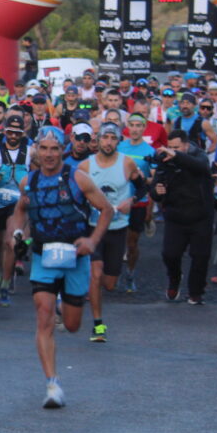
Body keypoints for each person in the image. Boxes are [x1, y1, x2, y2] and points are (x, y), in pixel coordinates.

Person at [7, 126, 112, 408]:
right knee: (43, 316)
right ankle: (52, 384)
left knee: (73, 325)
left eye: (55, 149)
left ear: (61, 150)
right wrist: (16, 235)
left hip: (75, 257)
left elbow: (107, 210)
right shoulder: (28, 182)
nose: (50, 154)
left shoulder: (78, 178)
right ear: (37, 151)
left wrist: (92, 241)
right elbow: (19, 213)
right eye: (44, 149)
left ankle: (65, 299)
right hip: (43, 256)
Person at [76, 123, 143, 341]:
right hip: (94, 228)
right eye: (104, 138)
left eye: (112, 138)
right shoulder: (86, 166)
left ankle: (92, 287)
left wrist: (131, 200)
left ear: (118, 140)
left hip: (118, 227)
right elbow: (77, 195)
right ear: (97, 140)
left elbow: (143, 187)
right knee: (95, 275)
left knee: (110, 283)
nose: (108, 142)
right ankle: (98, 325)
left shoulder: (127, 163)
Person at [150, 130, 214, 304]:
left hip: (200, 215)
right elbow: (156, 186)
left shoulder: (199, 156)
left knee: (200, 256)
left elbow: (200, 166)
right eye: (169, 147)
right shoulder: (164, 159)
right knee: (169, 254)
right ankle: (174, 279)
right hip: (175, 215)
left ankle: (196, 291)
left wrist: (177, 155)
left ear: (186, 145)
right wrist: (157, 191)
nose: (171, 151)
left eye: (176, 147)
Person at [0, 114, 33, 307]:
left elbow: (37, 174)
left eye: (17, 132)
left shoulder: (30, 152)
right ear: (4, 131)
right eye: (10, 132)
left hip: (17, 206)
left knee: (11, 243)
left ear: (23, 133)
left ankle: (5, 285)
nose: (13, 135)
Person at [117, 114, 155, 291]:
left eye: (138, 125)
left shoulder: (150, 151)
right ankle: (112, 273)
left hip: (138, 201)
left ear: (143, 128)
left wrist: (142, 178)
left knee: (132, 243)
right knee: (115, 240)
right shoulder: (120, 147)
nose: (134, 129)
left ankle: (131, 273)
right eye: (131, 125)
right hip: (118, 200)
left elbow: (154, 182)